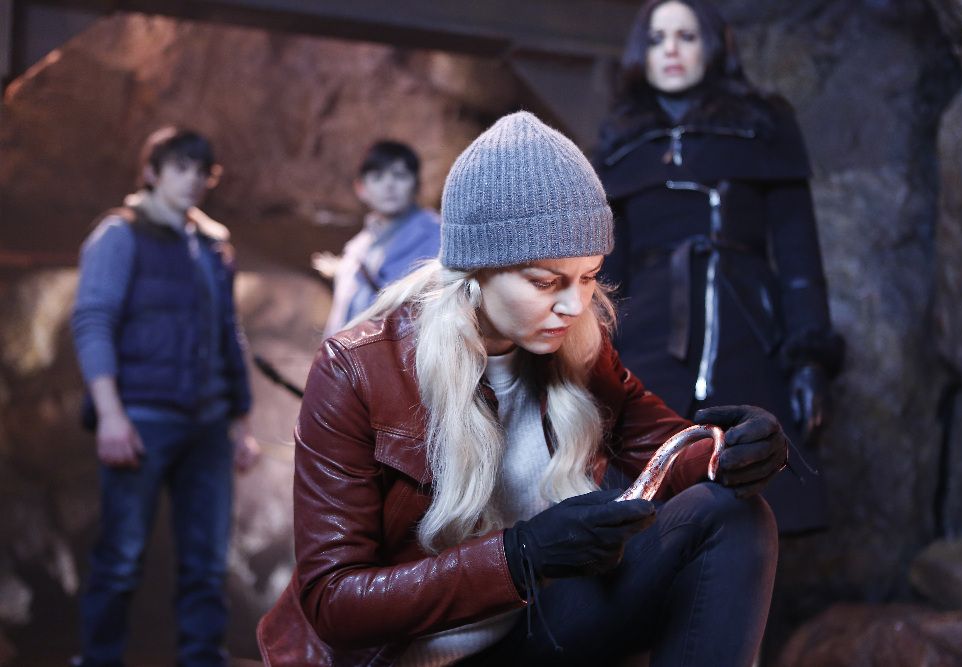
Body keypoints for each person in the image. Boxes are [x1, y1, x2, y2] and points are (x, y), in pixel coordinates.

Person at [257, 111, 786, 667]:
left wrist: (732, 453)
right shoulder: (356, 369)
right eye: (545, 282)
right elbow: (333, 601)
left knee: (730, 513)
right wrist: (519, 557)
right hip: (413, 657)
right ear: (476, 269)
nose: (574, 305)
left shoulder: (574, 343)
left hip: (532, 629)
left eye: (588, 276)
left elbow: (664, 452)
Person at [595, 0, 844, 535]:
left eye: (686, 36)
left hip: (745, 329)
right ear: (641, 54)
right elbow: (609, 274)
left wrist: (810, 359)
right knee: (644, 509)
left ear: (713, 45)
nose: (671, 50)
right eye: (657, 39)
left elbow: (798, 254)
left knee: (753, 499)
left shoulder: (761, 127)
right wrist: (594, 363)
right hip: (648, 339)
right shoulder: (620, 144)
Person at [71, 126, 260, 667]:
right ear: (152, 172)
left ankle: (202, 658)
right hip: (143, 416)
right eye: (180, 168)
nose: (192, 180)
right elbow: (93, 321)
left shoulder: (212, 245)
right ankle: (97, 659)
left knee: (207, 560)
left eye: (201, 171)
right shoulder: (119, 235)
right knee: (121, 557)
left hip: (209, 422)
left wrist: (241, 422)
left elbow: (228, 335)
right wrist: (110, 415)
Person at [313, 140, 441, 338]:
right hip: (354, 354)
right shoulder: (356, 249)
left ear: (417, 184)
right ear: (361, 188)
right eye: (378, 177)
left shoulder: (439, 236)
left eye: (400, 175)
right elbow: (340, 319)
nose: (389, 185)